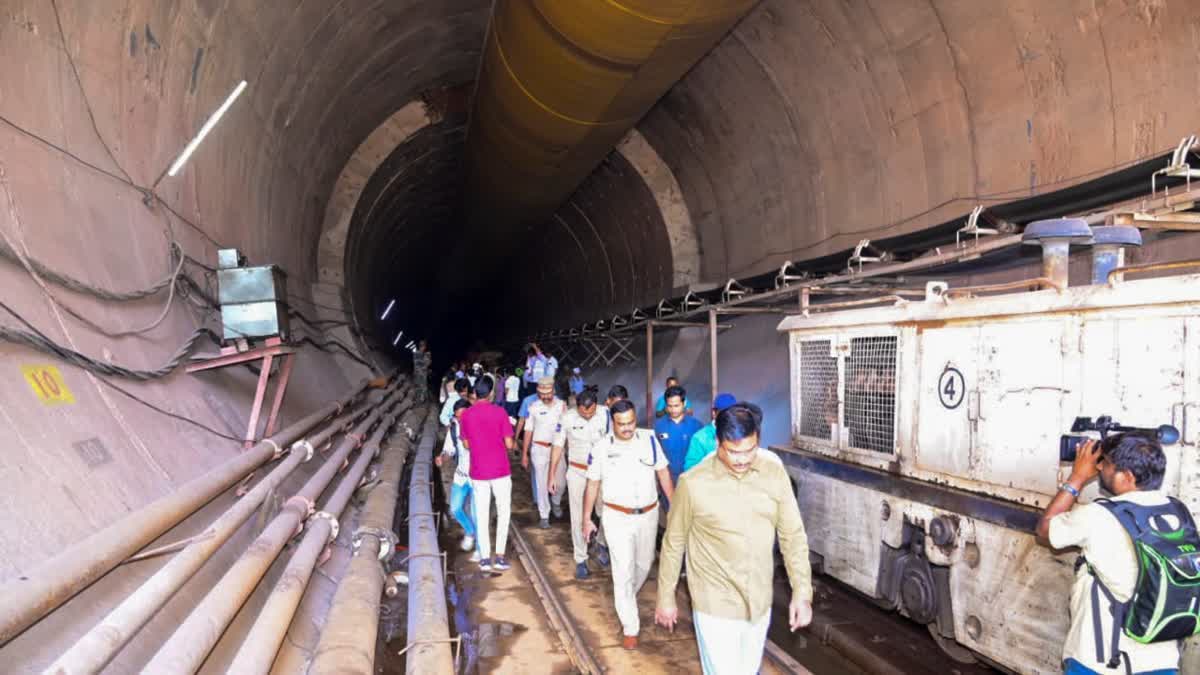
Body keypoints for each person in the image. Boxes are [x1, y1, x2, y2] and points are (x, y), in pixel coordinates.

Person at [656, 402, 813, 674]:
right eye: (733, 452)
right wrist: (665, 596)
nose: (742, 459)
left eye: (750, 450)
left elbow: (792, 535)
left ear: (758, 441)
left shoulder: (773, 474)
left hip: (759, 602)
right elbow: (674, 542)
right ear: (718, 442)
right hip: (714, 604)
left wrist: (802, 592)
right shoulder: (694, 483)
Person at [1036, 434, 1181, 674]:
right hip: (1162, 659)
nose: (1100, 467)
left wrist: (1078, 477)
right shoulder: (1177, 511)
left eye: (1107, 463)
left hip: (1102, 660)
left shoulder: (1100, 515)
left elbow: (1044, 528)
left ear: (1128, 476)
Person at [581, 400, 674, 650]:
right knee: (623, 571)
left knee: (643, 565)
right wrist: (586, 518)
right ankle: (630, 626)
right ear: (613, 422)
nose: (627, 428)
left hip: (648, 514)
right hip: (616, 517)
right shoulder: (601, 447)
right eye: (621, 424)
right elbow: (592, 484)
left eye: (631, 422)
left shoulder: (649, 440)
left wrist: (673, 506)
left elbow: (663, 472)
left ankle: (625, 599)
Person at [549, 386, 612, 578]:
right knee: (577, 516)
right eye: (584, 413)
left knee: (606, 512)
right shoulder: (567, 418)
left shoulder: (606, 414)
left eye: (591, 412)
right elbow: (558, 445)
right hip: (577, 471)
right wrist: (551, 474)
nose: (587, 416)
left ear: (596, 405)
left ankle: (601, 542)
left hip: (602, 472)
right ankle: (581, 558)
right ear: (577, 408)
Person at [459, 377, 515, 573]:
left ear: (474, 393)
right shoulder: (500, 412)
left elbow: (466, 444)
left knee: (481, 514)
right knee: (503, 512)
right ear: (491, 393)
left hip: (478, 472)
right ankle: (499, 557)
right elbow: (509, 444)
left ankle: (484, 558)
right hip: (500, 470)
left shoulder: (466, 415)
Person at [523, 377, 568, 528]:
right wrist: (524, 454)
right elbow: (528, 430)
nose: (546, 397)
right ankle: (544, 515)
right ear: (538, 392)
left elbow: (566, 429)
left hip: (558, 450)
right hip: (539, 449)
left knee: (561, 483)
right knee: (541, 483)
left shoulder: (561, 406)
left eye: (548, 393)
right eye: (543, 394)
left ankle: (555, 502)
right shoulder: (533, 407)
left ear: (553, 391)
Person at [436, 399, 478, 560]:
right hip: (461, 475)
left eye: (463, 416)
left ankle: (479, 548)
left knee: (475, 512)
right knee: (455, 508)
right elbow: (449, 450)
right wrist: (442, 458)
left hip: (477, 476)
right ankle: (470, 531)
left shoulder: (479, 426)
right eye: (458, 416)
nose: (461, 419)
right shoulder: (454, 428)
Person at [654, 385, 705, 497]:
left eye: (676, 405)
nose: (673, 409)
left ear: (684, 403)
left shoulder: (696, 426)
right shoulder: (659, 426)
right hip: (667, 480)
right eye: (669, 406)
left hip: (691, 480)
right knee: (671, 512)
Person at [683, 392, 738, 472]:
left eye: (732, 413)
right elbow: (690, 471)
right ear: (714, 413)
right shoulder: (700, 438)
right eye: (723, 413)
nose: (728, 417)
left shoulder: (741, 434)